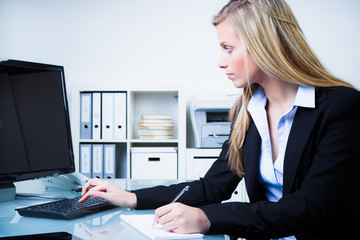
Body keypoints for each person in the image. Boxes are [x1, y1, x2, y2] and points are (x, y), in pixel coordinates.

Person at [79, 0, 360, 239]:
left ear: (263, 45)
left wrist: (206, 218)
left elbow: (313, 206)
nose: (220, 62)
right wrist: (131, 196)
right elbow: (212, 186)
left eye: (228, 48)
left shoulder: (341, 106)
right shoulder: (247, 111)